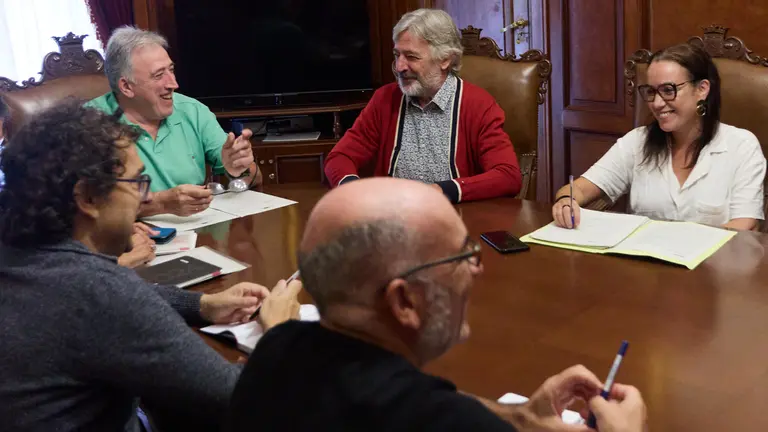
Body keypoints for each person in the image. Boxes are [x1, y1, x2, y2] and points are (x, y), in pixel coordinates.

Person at [225, 177, 647, 432]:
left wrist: (517, 417)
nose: (478, 270)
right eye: (463, 257)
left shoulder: (277, 347)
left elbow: (417, 397)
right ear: (404, 301)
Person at [0, 102, 300, 431]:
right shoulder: (101, 293)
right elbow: (246, 400)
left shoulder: (18, 252)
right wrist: (279, 334)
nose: (143, 201)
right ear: (87, 199)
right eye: (136, 184)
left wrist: (202, 304)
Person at [552, 43, 766, 231]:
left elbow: (745, 225)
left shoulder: (741, 146)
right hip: (645, 270)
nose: (656, 103)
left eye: (668, 90)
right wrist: (565, 201)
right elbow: (578, 188)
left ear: (701, 89)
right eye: (651, 92)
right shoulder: (637, 142)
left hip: (714, 270)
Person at [324, 9, 522, 204]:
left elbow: (507, 176)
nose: (400, 67)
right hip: (391, 220)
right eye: (397, 55)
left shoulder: (478, 105)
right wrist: (351, 187)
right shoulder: (385, 99)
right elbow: (340, 157)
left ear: (445, 59)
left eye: (411, 57)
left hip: (455, 220)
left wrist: (444, 190)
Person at [87, 26, 261, 218]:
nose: (173, 84)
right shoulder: (88, 123)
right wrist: (160, 203)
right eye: (159, 75)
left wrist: (239, 170)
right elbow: (88, 203)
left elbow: (252, 175)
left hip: (197, 233)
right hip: (126, 239)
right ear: (126, 86)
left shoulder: (192, 111)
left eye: (171, 70)